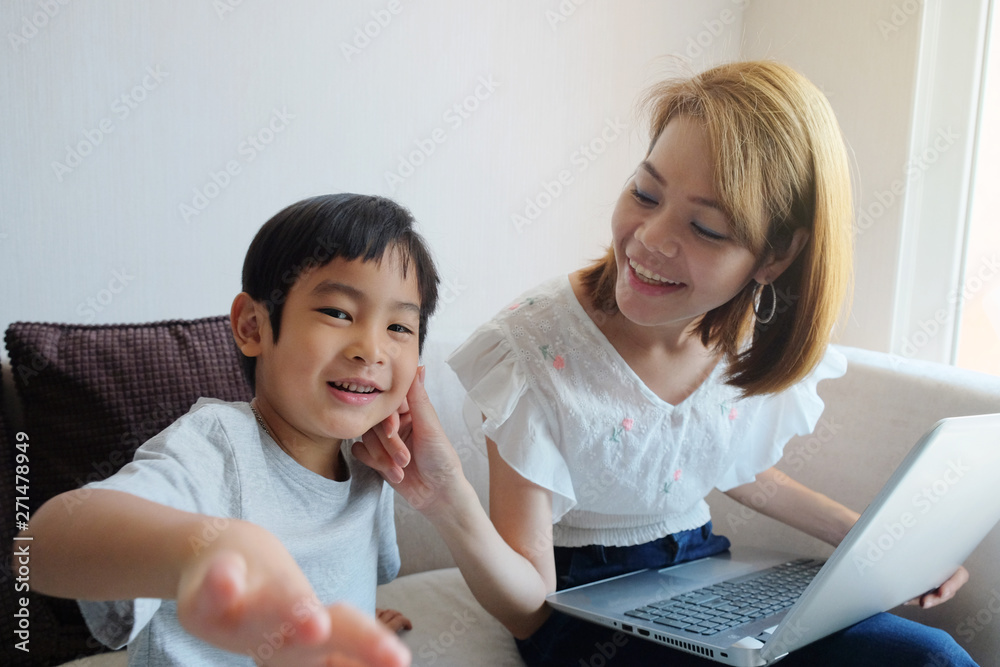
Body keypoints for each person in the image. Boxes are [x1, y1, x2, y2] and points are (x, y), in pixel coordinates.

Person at [355, 61, 977, 665]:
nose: (651, 237)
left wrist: (877, 542)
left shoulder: (740, 331)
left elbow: (731, 466)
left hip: (705, 572)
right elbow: (528, 608)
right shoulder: (532, 349)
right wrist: (447, 499)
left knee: (931, 655)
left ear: (774, 257)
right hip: (580, 607)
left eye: (705, 228)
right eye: (645, 192)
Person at [21, 193, 442, 666]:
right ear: (251, 326)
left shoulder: (371, 459)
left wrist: (349, 620)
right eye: (338, 313)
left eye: (400, 328)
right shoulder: (217, 447)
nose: (371, 349)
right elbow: (41, 546)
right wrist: (208, 547)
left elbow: (345, 579)